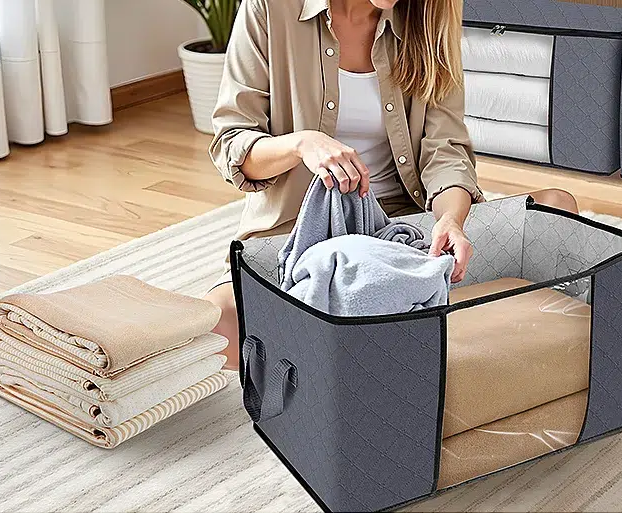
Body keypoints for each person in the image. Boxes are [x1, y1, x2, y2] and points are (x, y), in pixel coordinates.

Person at [205, 0, 578, 370]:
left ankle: (364, 332)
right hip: (298, 238)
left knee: (555, 209)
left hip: (405, 233)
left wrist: (449, 220)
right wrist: (302, 143)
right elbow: (232, 143)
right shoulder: (270, 8)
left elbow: (446, 151)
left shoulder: (429, 16)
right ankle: (403, 327)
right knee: (217, 329)